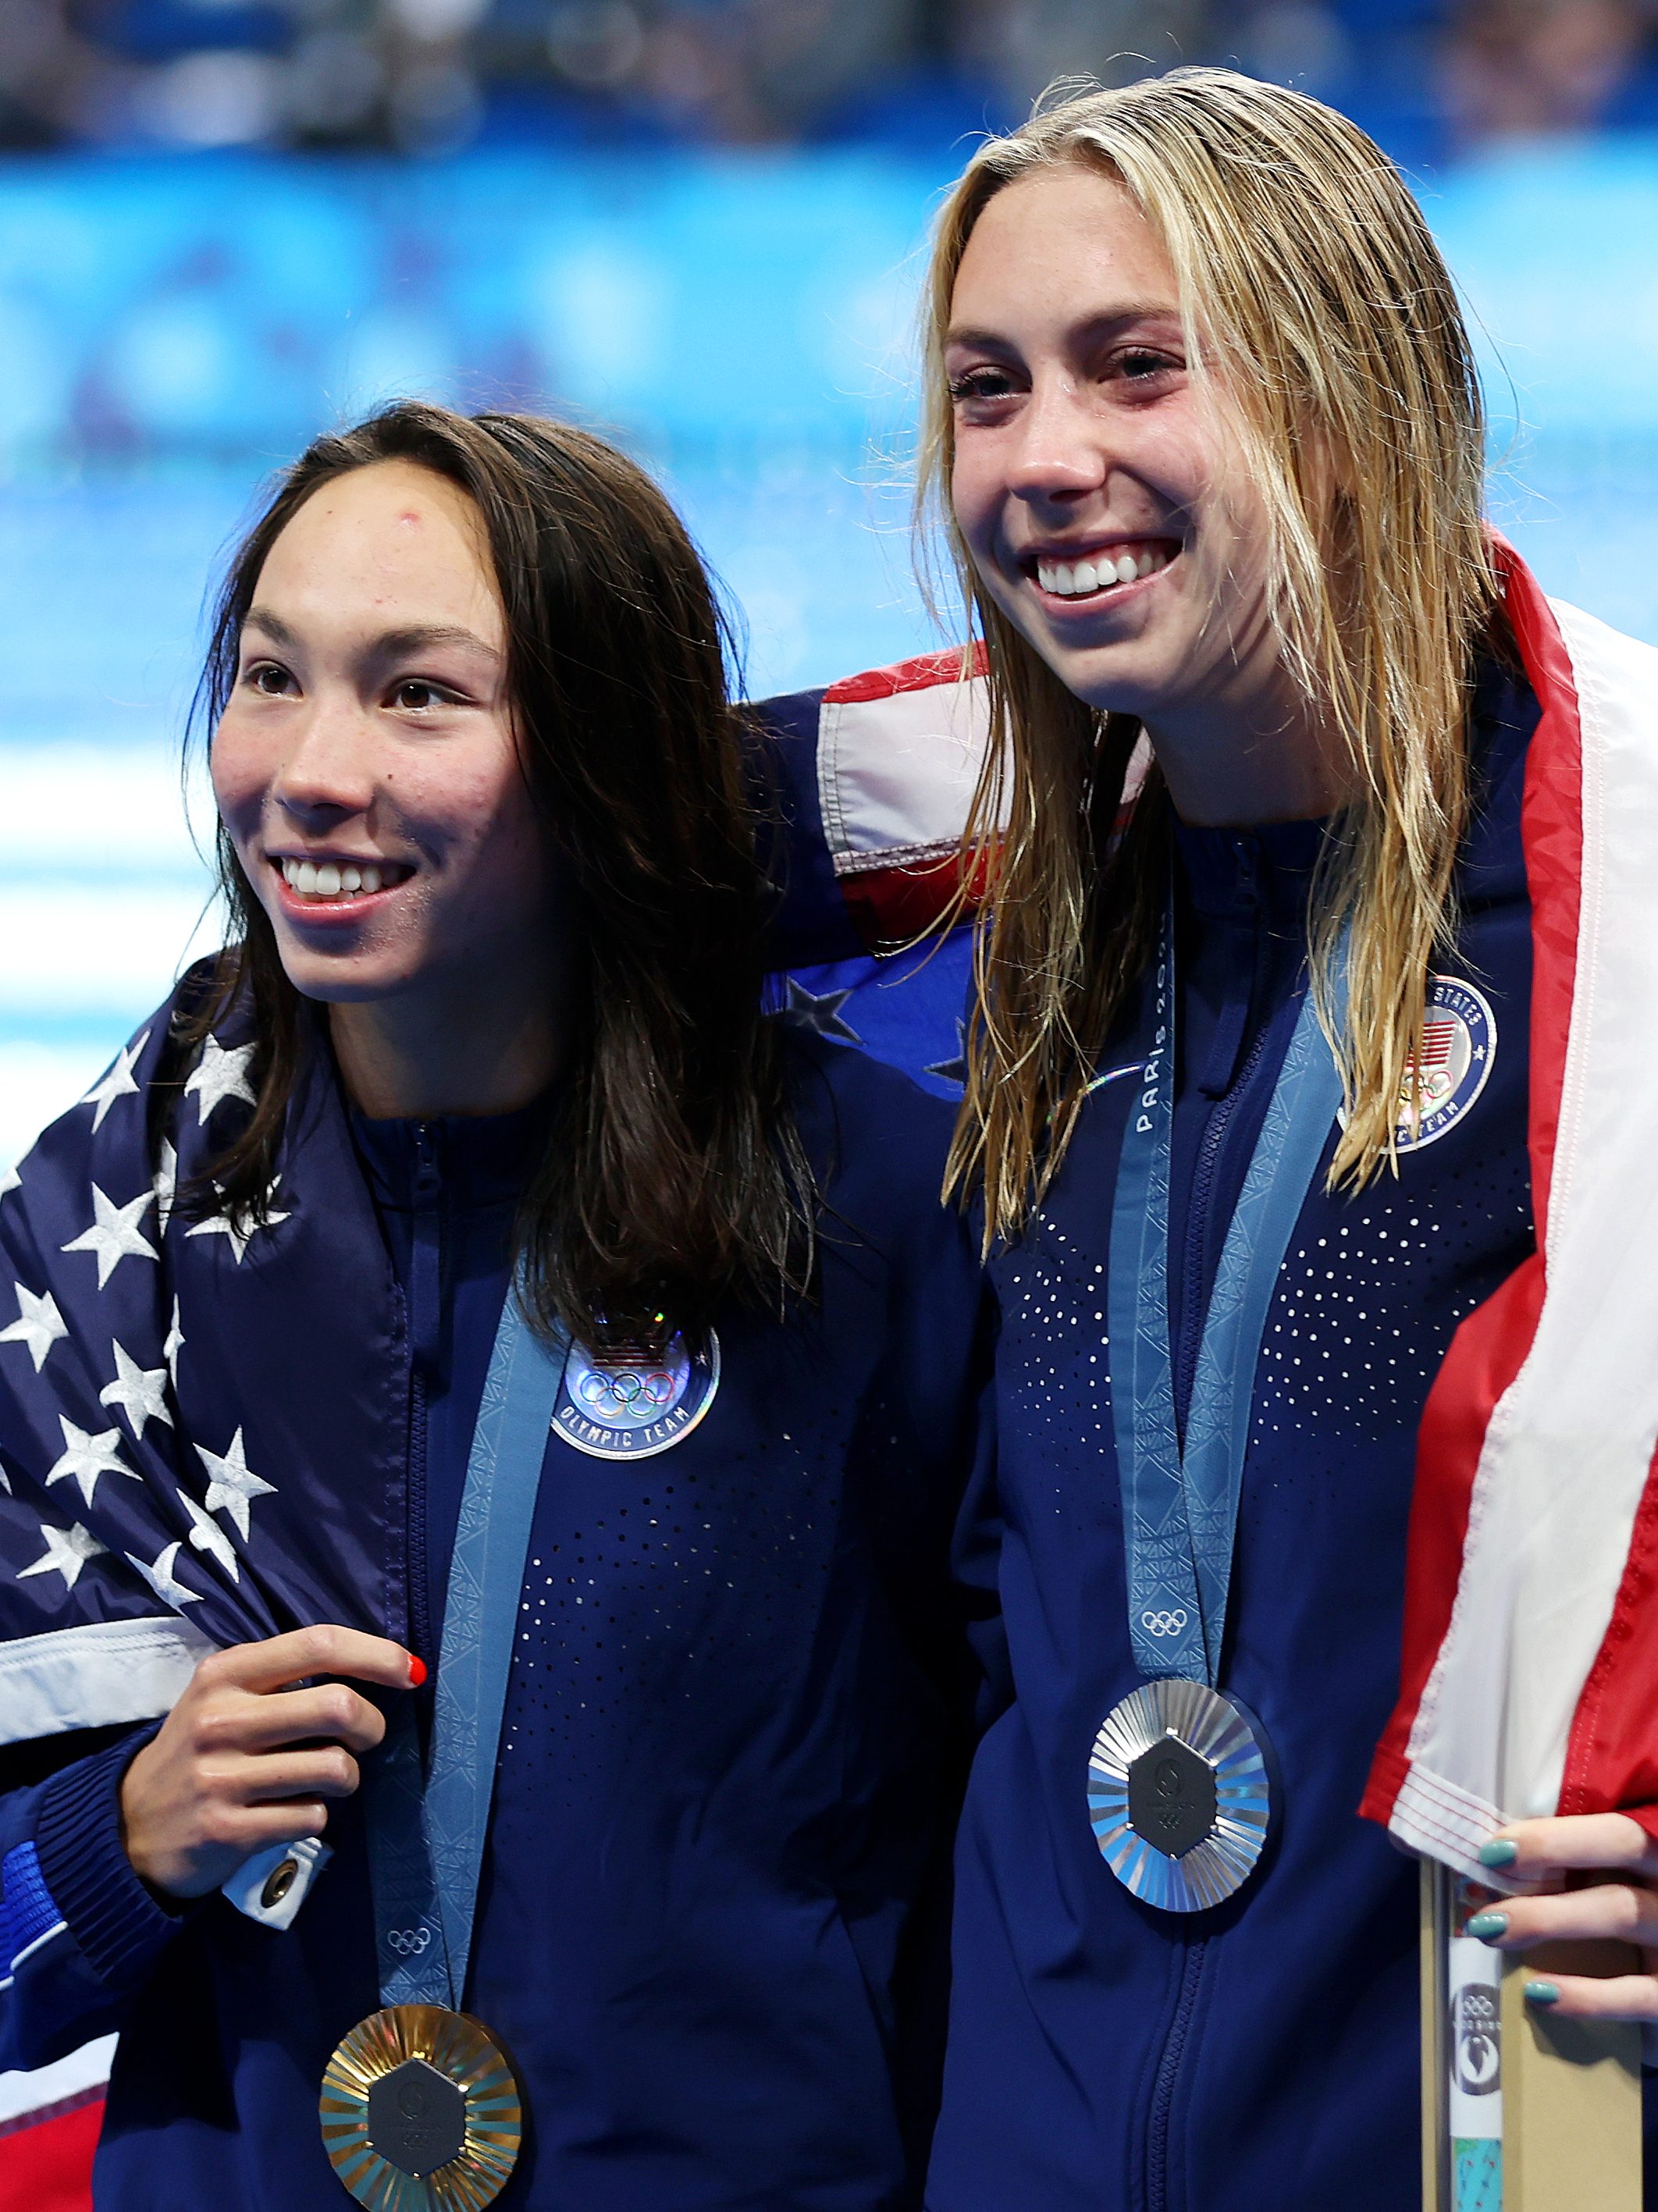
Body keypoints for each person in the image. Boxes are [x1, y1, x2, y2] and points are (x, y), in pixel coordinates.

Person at [0, 402, 994, 2210]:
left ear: (600, 755)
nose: (309, 768)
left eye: (420, 694)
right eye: (269, 676)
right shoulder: (100, 1243)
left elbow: (1030, 1841)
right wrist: (115, 1836)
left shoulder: (870, 1212)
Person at [879, 66, 1658, 2210]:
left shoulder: (1620, 930)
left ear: (1347, 387)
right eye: (984, 390)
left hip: (1480, 2142)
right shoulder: (978, 973)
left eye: (1139, 368)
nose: (1044, 462)